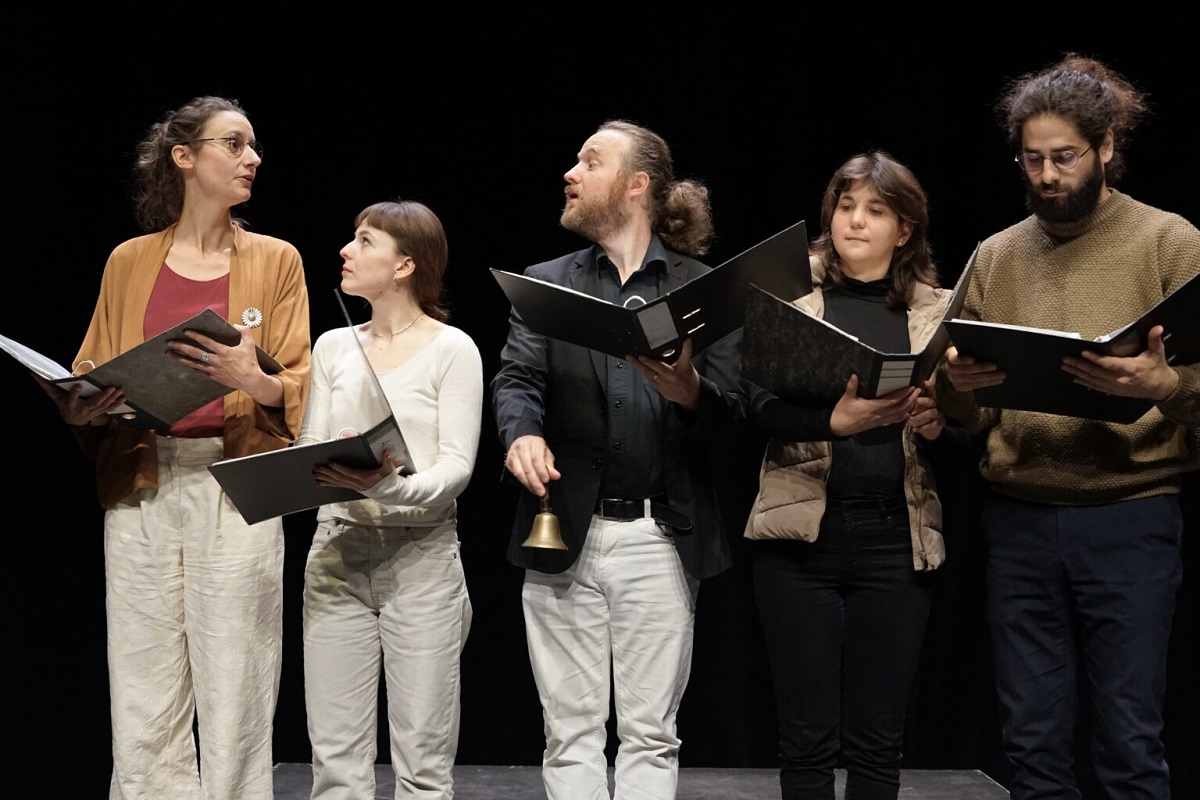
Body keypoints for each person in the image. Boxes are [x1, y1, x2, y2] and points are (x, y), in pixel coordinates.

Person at [936, 54, 1200, 799]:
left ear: (1106, 146)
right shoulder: (996, 255)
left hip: (1130, 518)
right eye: (1032, 159)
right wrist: (957, 389)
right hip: (1019, 520)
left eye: (1064, 157)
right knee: (1032, 744)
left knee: (1128, 739)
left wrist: (1166, 385)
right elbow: (967, 409)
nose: (1047, 176)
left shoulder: (1170, 242)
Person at [33, 96, 311, 798]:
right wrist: (82, 405)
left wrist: (256, 379)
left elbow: (303, 381)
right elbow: (93, 364)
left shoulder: (276, 260)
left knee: (237, 680)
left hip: (234, 485)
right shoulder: (129, 261)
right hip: (144, 482)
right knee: (144, 685)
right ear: (184, 157)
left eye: (254, 145)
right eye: (234, 144)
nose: (253, 158)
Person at [491, 119, 746, 800]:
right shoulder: (549, 284)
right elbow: (518, 379)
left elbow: (737, 418)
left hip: (661, 535)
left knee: (650, 735)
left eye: (590, 161)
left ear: (637, 185)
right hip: (564, 527)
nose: (570, 173)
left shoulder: (704, 290)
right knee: (568, 733)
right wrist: (521, 434)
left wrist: (689, 390)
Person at [743, 152, 964, 800]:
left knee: (877, 741)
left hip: (895, 543)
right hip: (799, 542)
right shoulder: (793, 298)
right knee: (805, 738)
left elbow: (973, 434)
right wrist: (831, 423)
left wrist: (937, 427)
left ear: (905, 229)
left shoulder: (938, 311)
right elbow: (753, 406)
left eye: (875, 210)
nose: (856, 221)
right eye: (845, 207)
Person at [299, 200, 482, 799]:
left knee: (423, 764)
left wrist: (392, 487)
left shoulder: (453, 348)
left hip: (421, 557)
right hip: (337, 549)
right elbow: (311, 446)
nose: (346, 251)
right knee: (336, 765)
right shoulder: (333, 346)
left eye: (365, 241)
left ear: (405, 265)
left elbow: (457, 466)